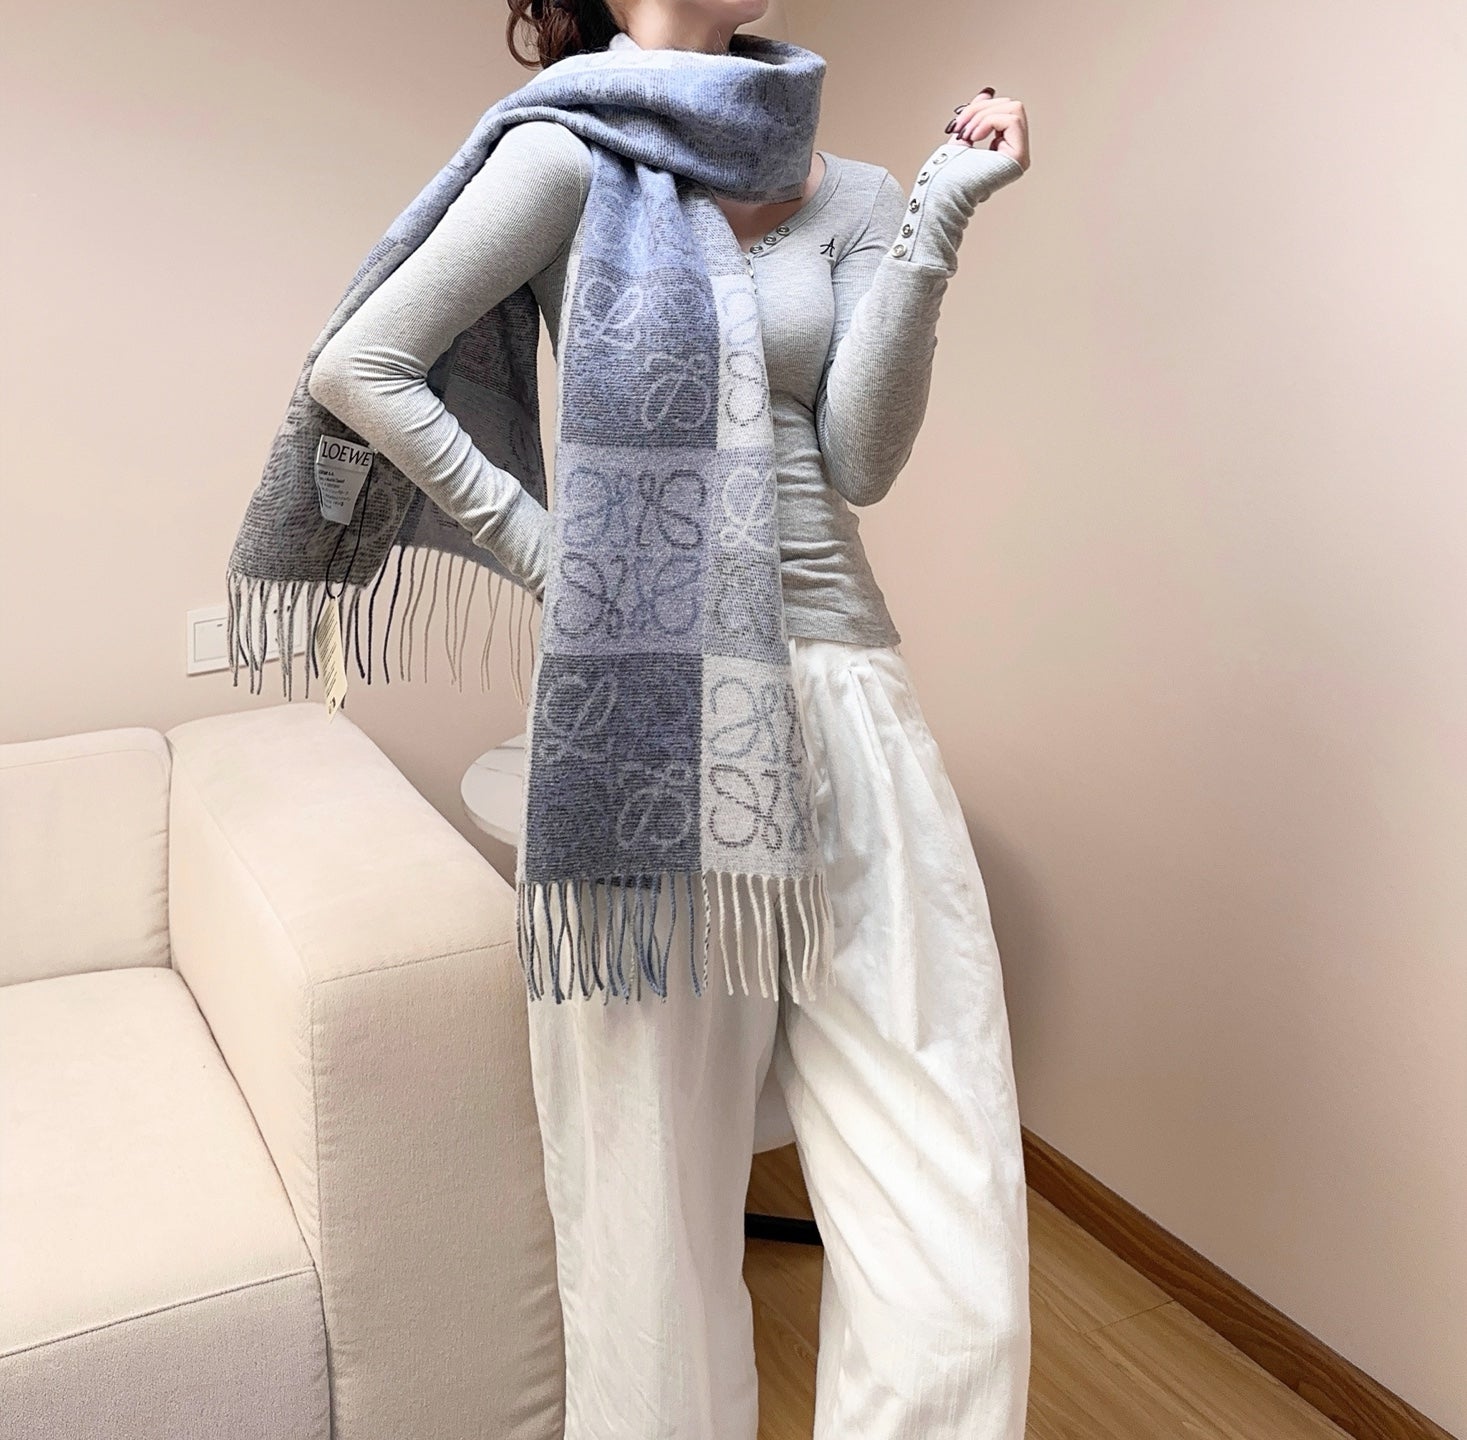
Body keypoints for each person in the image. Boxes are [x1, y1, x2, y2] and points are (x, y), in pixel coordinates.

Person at [306, 3, 1033, 1436]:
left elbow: (858, 459)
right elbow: (361, 364)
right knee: (646, 1234)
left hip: (844, 700)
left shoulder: (853, 187)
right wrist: (565, 566)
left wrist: (940, 219)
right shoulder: (569, 152)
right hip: (645, 723)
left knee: (955, 1263)